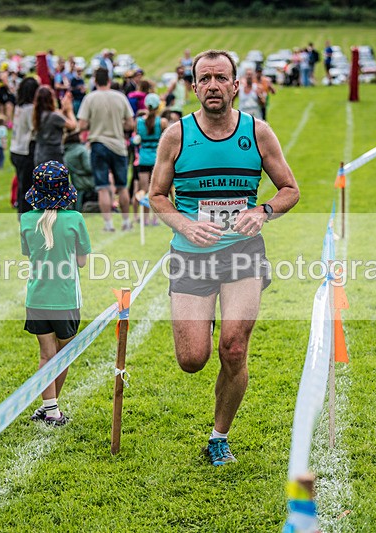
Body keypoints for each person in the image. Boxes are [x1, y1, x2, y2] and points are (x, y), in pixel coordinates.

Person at [149, 49, 300, 466]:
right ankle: (201, 315)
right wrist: (185, 224)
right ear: (194, 86)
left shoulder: (258, 132)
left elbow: (290, 188)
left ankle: (219, 437)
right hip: (192, 256)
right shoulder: (176, 135)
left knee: (233, 349)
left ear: (236, 85)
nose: (213, 85)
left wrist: (262, 210)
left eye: (221, 78)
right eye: (205, 79)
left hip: (242, 254)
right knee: (192, 359)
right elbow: (157, 196)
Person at [21, 161, 91, 426]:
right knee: (64, 356)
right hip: (66, 300)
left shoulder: (27, 220)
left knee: (46, 355)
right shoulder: (75, 219)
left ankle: (50, 408)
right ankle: (52, 409)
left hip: (36, 299)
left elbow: (29, 253)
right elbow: (82, 261)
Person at [77, 67, 135, 232]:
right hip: (118, 144)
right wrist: (119, 125)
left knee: (102, 186)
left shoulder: (90, 98)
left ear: (95, 81)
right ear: (109, 80)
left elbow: (82, 125)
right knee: (122, 185)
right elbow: (131, 123)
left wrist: (93, 124)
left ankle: (108, 224)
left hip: (98, 143)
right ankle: (125, 221)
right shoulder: (120, 97)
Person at [134, 93, 168, 225]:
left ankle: (145, 219)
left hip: (143, 159)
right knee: (157, 192)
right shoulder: (162, 122)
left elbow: (136, 139)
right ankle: (155, 219)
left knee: (145, 191)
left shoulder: (139, 122)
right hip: (157, 160)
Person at [11, 77, 40, 214]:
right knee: (27, 187)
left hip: (15, 149)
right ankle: (26, 214)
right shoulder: (30, 109)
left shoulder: (19, 107)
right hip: (25, 150)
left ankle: (21, 212)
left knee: (22, 185)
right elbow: (34, 127)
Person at [33, 86, 76, 166]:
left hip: (39, 154)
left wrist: (63, 108)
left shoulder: (38, 115)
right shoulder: (54, 116)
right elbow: (73, 126)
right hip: (53, 156)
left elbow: (58, 117)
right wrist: (70, 110)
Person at [62, 130, 93, 212]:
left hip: (74, 181)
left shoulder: (65, 150)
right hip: (86, 181)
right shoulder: (82, 150)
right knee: (109, 178)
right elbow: (89, 168)